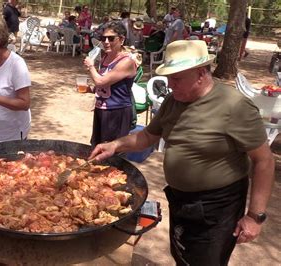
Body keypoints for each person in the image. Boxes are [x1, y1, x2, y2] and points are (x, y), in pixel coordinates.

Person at [89, 40, 275, 265]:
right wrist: (115, 145)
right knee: (182, 254)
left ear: (200, 74)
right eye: (168, 78)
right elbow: (148, 136)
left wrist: (255, 216)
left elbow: (264, 161)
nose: (169, 85)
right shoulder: (173, 100)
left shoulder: (235, 106)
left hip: (217, 207)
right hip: (181, 199)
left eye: (176, 78)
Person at [83, 21, 138, 146]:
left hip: (117, 112)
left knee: (113, 151)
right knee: (97, 146)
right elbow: (105, 86)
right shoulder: (105, 58)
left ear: (122, 40)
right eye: (103, 38)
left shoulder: (127, 62)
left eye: (111, 38)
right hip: (101, 109)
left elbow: (101, 82)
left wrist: (91, 67)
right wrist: (90, 89)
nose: (106, 42)